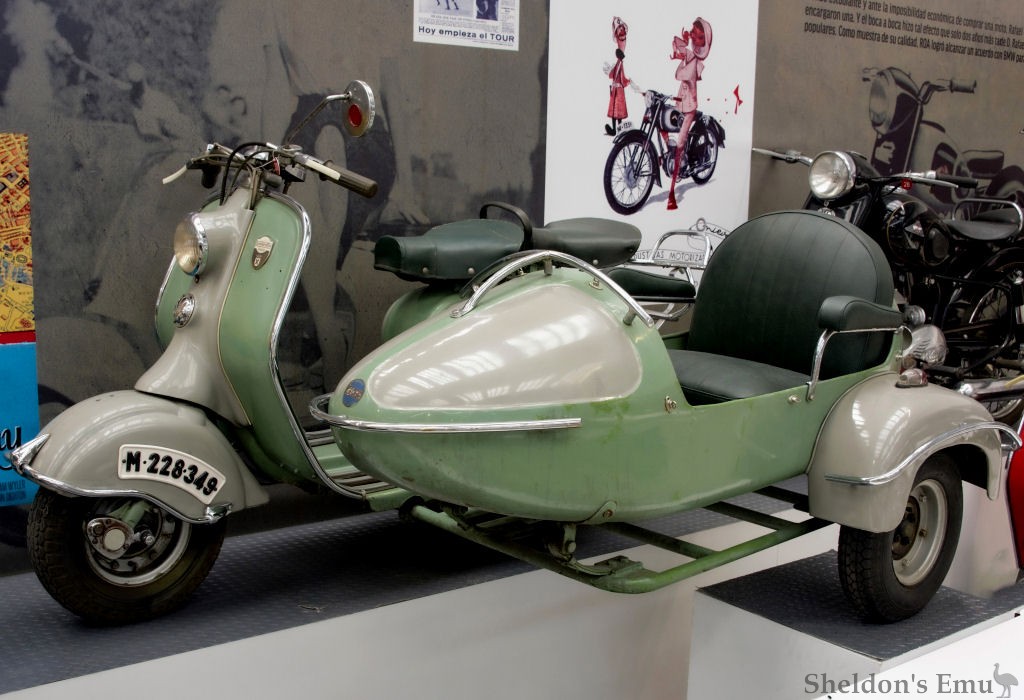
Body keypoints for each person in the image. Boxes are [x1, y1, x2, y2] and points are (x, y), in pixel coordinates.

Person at [667, 17, 712, 210]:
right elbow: (676, 44)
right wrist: (684, 39)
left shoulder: (695, 62)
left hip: (689, 107)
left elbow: (679, 75)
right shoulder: (690, 54)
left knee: (680, 144)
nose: (694, 37)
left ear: (703, 42)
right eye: (693, 33)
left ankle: (671, 194)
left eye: (698, 36)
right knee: (665, 126)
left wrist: (682, 54)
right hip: (680, 103)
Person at [604, 17, 630, 136]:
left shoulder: (619, 62)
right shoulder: (618, 62)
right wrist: (627, 82)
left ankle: (617, 129)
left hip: (617, 89)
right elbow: (617, 76)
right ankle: (616, 129)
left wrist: (626, 81)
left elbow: (618, 76)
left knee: (617, 111)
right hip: (616, 89)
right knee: (615, 111)